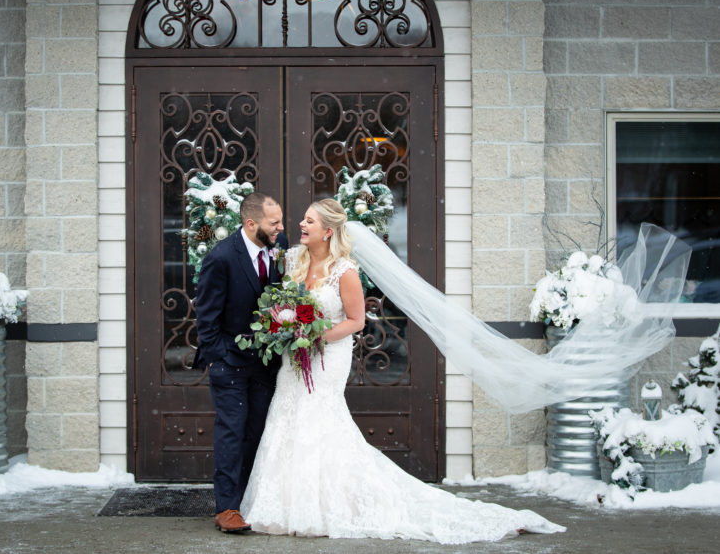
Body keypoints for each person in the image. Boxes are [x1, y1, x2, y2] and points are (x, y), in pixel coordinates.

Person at [240, 198, 566, 543]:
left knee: (318, 420)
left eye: (309, 221)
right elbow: (282, 304)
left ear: (328, 231)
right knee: (288, 417)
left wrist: (315, 336)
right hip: (294, 360)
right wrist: (283, 326)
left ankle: (327, 506)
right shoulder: (293, 260)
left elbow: (356, 321)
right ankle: (285, 505)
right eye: (302, 220)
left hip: (327, 356)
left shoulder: (345, 271)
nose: (301, 226)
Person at [193, 191, 288, 533]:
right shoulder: (221, 258)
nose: (280, 227)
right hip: (229, 363)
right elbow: (206, 322)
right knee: (232, 431)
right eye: (273, 222)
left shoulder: (280, 246)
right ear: (251, 224)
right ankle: (227, 508)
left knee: (257, 432)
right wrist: (225, 355)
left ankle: (250, 499)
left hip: (266, 364)